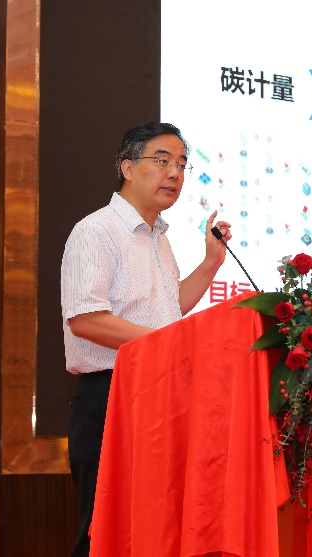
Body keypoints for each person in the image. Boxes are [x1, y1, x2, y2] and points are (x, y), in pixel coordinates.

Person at [60, 122, 231, 557]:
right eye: (162, 160)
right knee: (106, 531)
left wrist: (211, 263)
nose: (174, 173)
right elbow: (86, 318)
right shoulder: (97, 230)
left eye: (182, 165)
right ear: (127, 167)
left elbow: (170, 308)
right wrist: (169, 345)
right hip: (112, 395)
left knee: (154, 530)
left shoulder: (159, 239)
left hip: (161, 395)